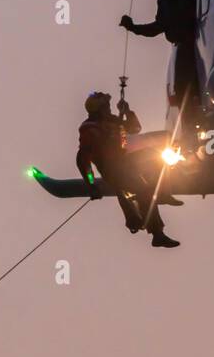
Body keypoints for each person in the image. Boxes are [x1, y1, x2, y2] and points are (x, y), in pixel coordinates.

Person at [75, 91, 179, 248]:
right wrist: (90, 185)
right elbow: (83, 160)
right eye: (107, 107)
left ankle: (162, 193)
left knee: (155, 155)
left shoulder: (112, 122)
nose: (109, 110)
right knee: (143, 190)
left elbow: (135, 128)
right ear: (100, 109)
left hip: (126, 162)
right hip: (113, 170)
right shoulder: (90, 130)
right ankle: (157, 234)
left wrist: (127, 111)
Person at [120, 0, 200, 112]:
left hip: (199, 37)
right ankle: (193, 124)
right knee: (183, 92)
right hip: (185, 46)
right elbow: (158, 27)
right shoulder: (164, 0)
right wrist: (133, 27)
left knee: (189, 88)